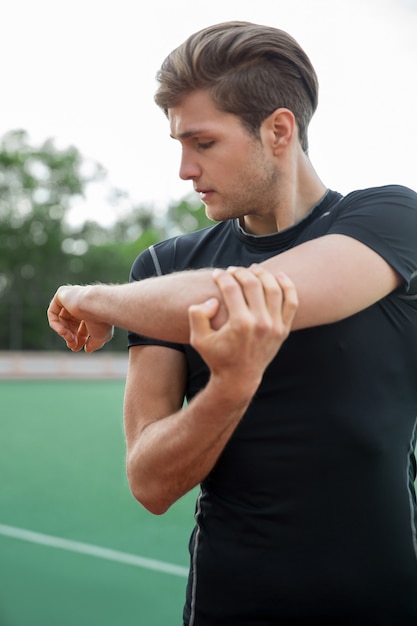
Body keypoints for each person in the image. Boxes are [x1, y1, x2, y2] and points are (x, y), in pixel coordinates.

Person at [47, 21, 417, 625]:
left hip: (388, 602)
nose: (184, 169)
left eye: (203, 143)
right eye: (178, 144)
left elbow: (252, 295)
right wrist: (229, 390)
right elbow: (150, 483)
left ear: (278, 130)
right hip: (230, 606)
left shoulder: (390, 218)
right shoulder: (166, 267)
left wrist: (89, 297)